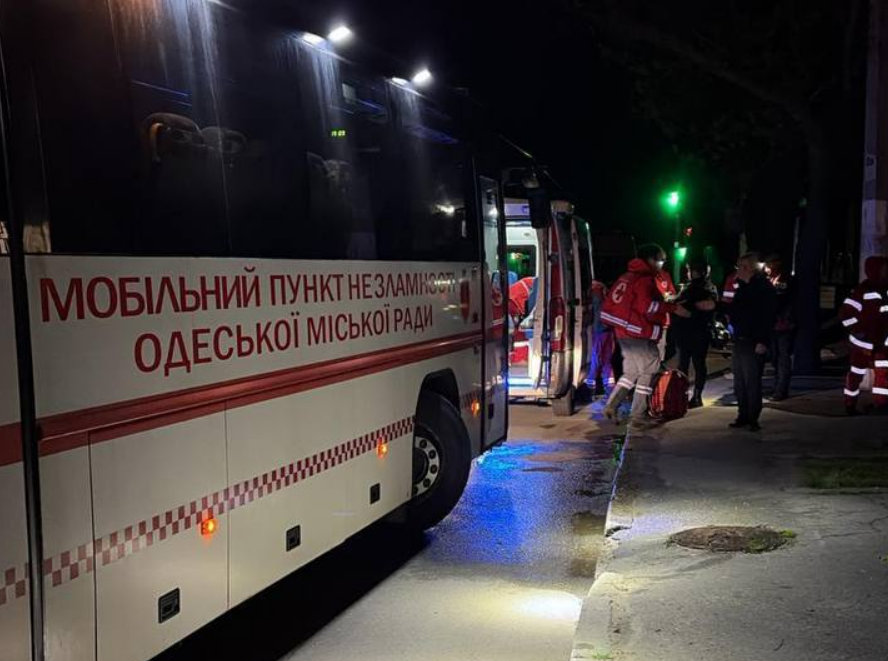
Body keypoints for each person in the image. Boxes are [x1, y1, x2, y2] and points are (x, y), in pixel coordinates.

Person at [600, 244, 690, 431]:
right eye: (660, 260)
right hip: (638, 332)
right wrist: (672, 308)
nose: (662, 263)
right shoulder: (644, 279)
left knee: (632, 371)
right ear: (649, 259)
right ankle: (638, 416)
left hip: (624, 333)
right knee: (650, 368)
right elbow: (647, 307)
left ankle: (611, 406)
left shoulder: (627, 276)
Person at [728, 254, 776, 431]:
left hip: (753, 341)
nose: (737, 271)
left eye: (740, 267)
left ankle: (752, 417)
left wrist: (763, 341)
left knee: (752, 381)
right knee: (740, 381)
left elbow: (768, 317)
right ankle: (743, 415)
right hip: (740, 340)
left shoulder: (763, 288)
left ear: (747, 268)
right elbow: (736, 311)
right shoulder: (743, 288)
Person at [839, 256, 888, 414]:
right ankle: (850, 405)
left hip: (882, 343)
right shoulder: (861, 291)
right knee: (856, 374)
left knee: (883, 375)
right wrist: (860, 332)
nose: (886, 271)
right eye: (884, 269)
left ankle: (882, 405)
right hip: (862, 344)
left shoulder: (885, 290)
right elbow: (846, 315)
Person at [672, 258, 718, 408]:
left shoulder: (690, 289)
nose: (688, 273)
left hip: (686, 331)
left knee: (683, 364)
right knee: (699, 364)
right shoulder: (711, 288)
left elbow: (680, 308)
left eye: (689, 270)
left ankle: (682, 395)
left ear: (695, 272)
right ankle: (697, 396)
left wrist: (674, 304)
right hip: (702, 331)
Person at [765, 254, 797, 401]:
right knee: (774, 357)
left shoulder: (786, 281)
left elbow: (787, 301)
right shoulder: (767, 280)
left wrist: (786, 318)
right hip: (771, 325)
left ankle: (781, 390)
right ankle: (777, 386)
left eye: (770, 264)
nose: (767, 268)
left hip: (783, 325)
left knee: (783, 358)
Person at [587, 279, 615, 396]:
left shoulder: (595, 292)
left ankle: (589, 388)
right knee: (606, 360)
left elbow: (593, 312)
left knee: (595, 359)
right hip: (608, 330)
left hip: (598, 330)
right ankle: (610, 389)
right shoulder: (606, 293)